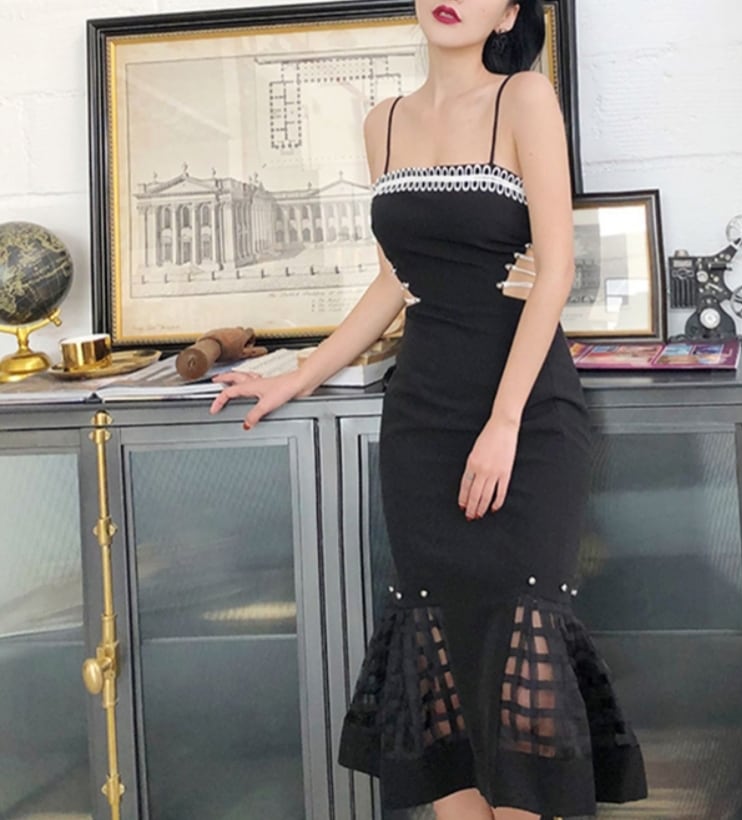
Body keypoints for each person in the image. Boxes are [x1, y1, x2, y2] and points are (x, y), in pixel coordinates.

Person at [209, 1, 647, 817]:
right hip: (422, 417)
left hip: (526, 414)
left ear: (508, 14)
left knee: (524, 659)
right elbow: (391, 282)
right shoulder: (382, 121)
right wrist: (296, 376)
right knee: (436, 661)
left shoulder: (524, 98)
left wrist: (504, 423)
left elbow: (554, 270)